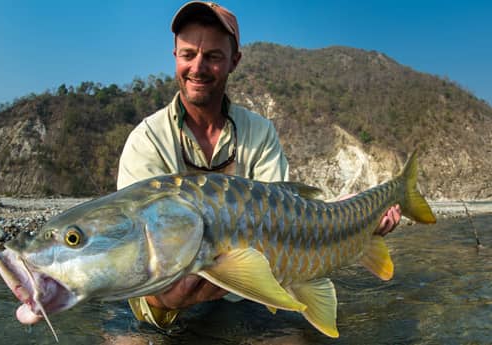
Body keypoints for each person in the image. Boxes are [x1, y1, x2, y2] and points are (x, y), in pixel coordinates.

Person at [117, 1, 401, 330]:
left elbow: (290, 220)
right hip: (164, 311)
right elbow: (135, 255)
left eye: (212, 56)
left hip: (249, 300)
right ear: (175, 56)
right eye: (188, 54)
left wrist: (356, 222)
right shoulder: (146, 140)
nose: (198, 67)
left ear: (234, 61)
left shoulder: (260, 132)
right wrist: (160, 300)